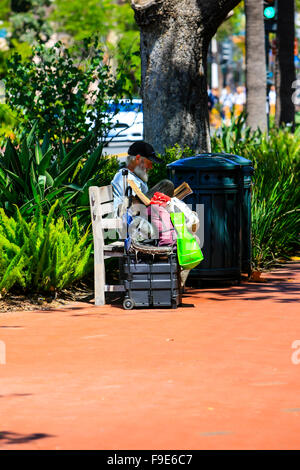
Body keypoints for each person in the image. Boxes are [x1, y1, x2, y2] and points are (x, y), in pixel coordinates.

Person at [111, 141, 174, 214]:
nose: (151, 167)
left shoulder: (136, 176)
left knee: (167, 189)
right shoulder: (124, 176)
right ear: (137, 159)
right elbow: (132, 206)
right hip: (129, 214)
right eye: (149, 163)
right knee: (166, 185)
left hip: (139, 211)